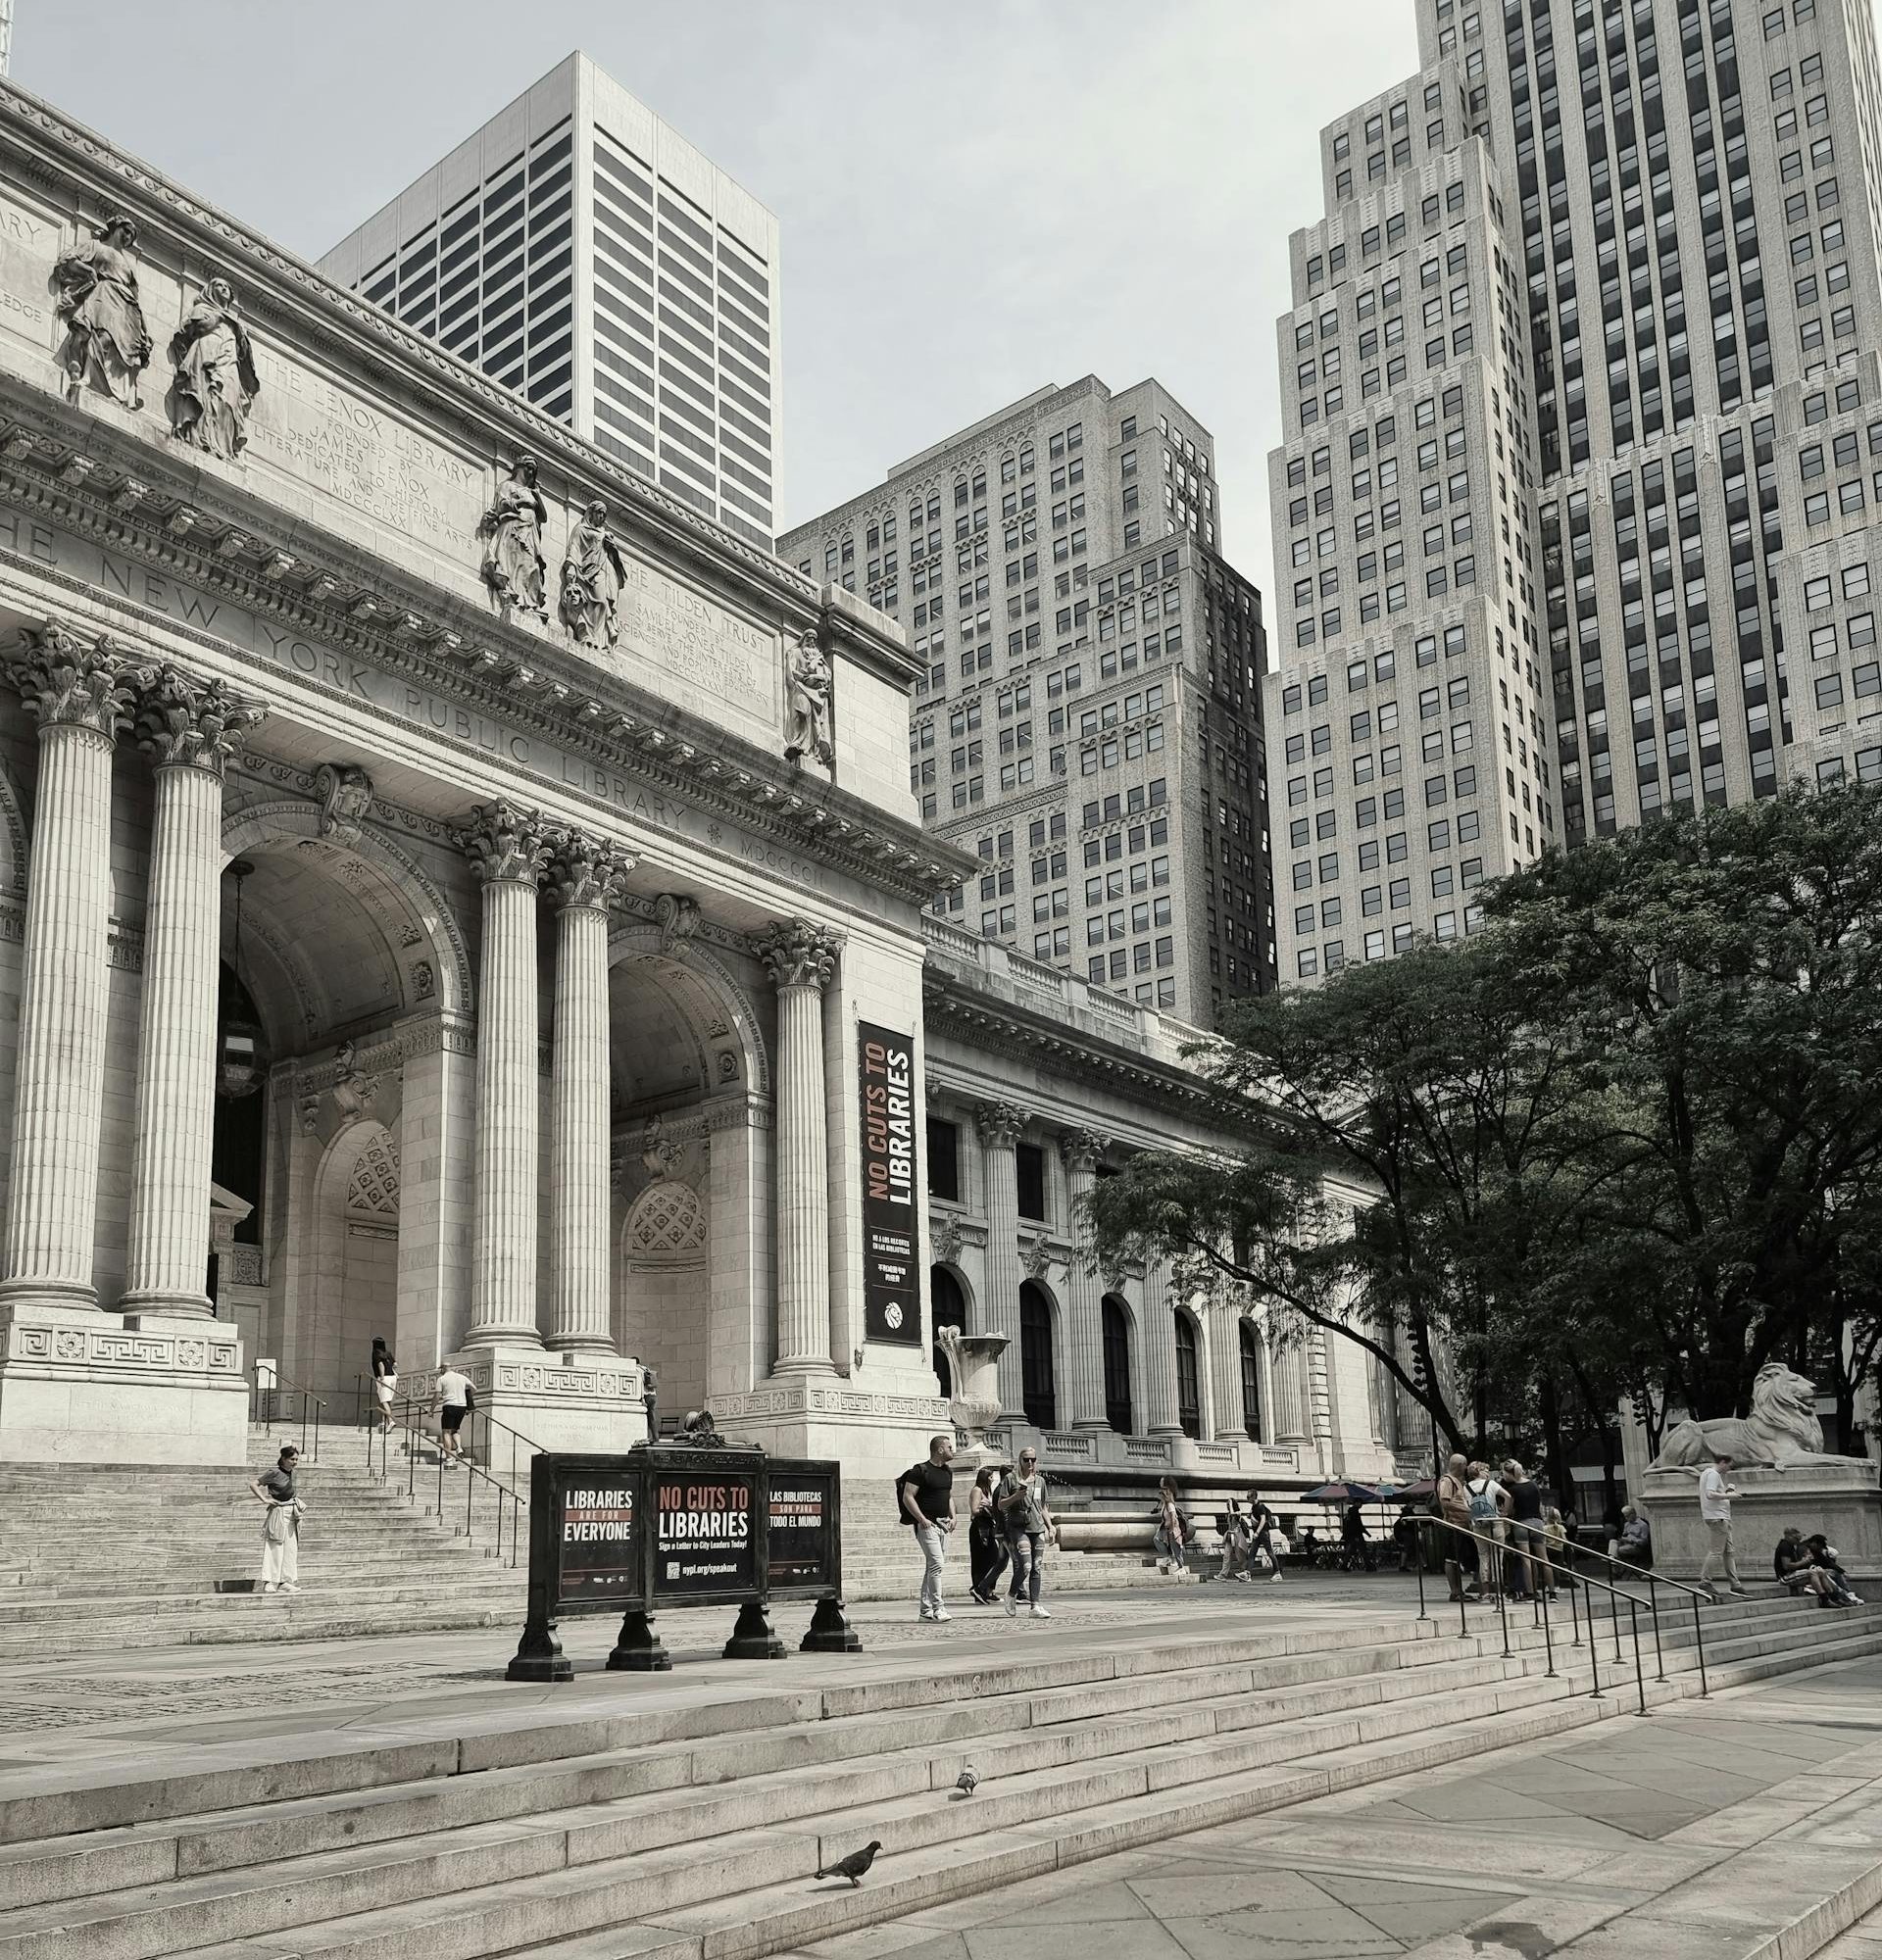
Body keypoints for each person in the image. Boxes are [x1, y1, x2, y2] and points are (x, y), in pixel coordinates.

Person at [899, 1435, 957, 1622]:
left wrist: (953, 1516)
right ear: (939, 1449)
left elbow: (948, 1496)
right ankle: (938, 1608)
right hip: (928, 1525)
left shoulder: (948, 1471)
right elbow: (908, 1496)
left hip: (943, 1525)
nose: (952, 1450)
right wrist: (921, 1519)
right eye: (949, 1447)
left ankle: (925, 1610)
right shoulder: (920, 1471)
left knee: (933, 1567)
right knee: (937, 1565)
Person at [997, 1447, 1057, 1618]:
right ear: (1020, 1460)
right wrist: (1015, 1497)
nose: (1030, 1463)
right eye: (1026, 1460)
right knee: (1026, 1565)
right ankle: (1011, 1594)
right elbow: (1001, 1505)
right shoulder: (1010, 1479)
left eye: (1033, 1459)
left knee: (1036, 1566)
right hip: (1019, 1528)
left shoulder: (1040, 1481)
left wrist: (1050, 1526)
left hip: (1037, 1527)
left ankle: (1035, 1606)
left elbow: (1043, 1506)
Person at [249, 1445, 303, 1594]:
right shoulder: (274, 1472)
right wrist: (264, 1500)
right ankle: (269, 1581)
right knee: (274, 1546)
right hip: (278, 1510)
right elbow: (254, 1484)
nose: (295, 1462)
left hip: (292, 1511)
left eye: (297, 1459)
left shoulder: (293, 1473)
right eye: (292, 1459)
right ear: (284, 1459)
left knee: (290, 1548)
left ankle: (285, 1581)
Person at [1698, 1448, 1749, 1603]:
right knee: (1717, 1552)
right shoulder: (1713, 1474)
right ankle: (1705, 1582)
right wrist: (1730, 1495)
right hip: (1718, 1517)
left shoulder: (1707, 1474)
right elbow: (1710, 1494)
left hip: (1719, 1517)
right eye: (1729, 1466)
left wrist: (1727, 1491)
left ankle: (1735, 1584)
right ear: (1722, 1462)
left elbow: (1712, 1494)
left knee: (1728, 1552)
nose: (1729, 1469)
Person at [1503, 1459, 1555, 1601]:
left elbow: (1507, 1511)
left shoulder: (1512, 1490)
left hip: (1521, 1523)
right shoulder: (1533, 1485)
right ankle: (1552, 1592)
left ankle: (1531, 1592)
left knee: (1526, 1559)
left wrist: (1503, 1513)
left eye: (1504, 1473)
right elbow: (1539, 1505)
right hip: (1537, 1522)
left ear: (1509, 1473)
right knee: (1544, 1559)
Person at [967, 1466, 1010, 1603]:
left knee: (993, 1558)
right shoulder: (977, 1490)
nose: (992, 1479)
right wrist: (989, 1508)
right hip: (979, 1528)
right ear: (985, 1477)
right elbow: (974, 1510)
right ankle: (979, 1589)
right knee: (981, 1560)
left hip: (988, 1526)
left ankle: (988, 1590)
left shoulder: (987, 1491)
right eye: (990, 1476)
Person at [1437, 1452, 1473, 1602]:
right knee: (1452, 1559)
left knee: (1457, 1559)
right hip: (1453, 1525)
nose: (1466, 1468)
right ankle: (1455, 1591)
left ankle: (1459, 1591)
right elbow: (1445, 1502)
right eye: (1465, 1465)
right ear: (1460, 1466)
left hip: (1460, 1526)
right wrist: (1468, 1510)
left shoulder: (1457, 1481)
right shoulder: (1447, 1481)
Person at [1774, 1527, 1839, 1603]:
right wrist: (1804, 1561)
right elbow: (1786, 1566)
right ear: (1790, 1536)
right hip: (1785, 1577)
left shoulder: (1791, 1546)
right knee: (1812, 1573)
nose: (1799, 1541)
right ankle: (1824, 1599)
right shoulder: (1785, 1546)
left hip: (1793, 1574)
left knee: (1820, 1571)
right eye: (1797, 1539)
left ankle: (1834, 1597)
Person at [1805, 1534, 1863, 1606]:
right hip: (1810, 1572)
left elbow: (1828, 1562)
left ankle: (1846, 1594)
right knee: (1826, 1574)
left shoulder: (1815, 1550)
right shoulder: (1806, 1549)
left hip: (1816, 1571)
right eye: (1820, 1547)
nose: (1821, 1549)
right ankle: (1842, 1596)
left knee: (1833, 1572)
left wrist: (1842, 1571)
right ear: (1815, 1543)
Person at [433, 1362, 473, 1467]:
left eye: (440, 1369)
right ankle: (459, 1448)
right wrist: (466, 1397)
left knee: (446, 1432)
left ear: (443, 1368)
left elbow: (437, 1396)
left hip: (450, 1406)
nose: (440, 1371)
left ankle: (449, 1458)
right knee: (455, 1429)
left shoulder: (441, 1379)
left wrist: (431, 1409)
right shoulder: (462, 1377)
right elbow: (474, 1388)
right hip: (462, 1406)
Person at [1154, 1477, 1188, 1576]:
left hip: (1173, 1528)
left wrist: (1173, 1528)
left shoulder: (1169, 1505)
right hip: (1168, 1528)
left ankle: (1182, 1568)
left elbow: (1174, 1516)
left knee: (1176, 1548)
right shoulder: (1165, 1504)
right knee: (1158, 1539)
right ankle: (1170, 1559)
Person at [1247, 1489, 1284, 1583]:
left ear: (1254, 1497)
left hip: (1263, 1533)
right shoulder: (1254, 1507)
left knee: (1270, 1552)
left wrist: (1257, 1532)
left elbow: (1263, 1520)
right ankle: (1247, 1573)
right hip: (1259, 1534)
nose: (1247, 1499)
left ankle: (1277, 1573)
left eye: (1248, 1497)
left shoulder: (1260, 1507)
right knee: (1252, 1553)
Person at [369, 1337, 397, 1435]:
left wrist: (382, 1377)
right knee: (386, 1401)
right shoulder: (387, 1353)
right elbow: (395, 1364)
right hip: (393, 1378)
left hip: (384, 1378)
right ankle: (384, 1423)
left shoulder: (376, 1353)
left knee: (384, 1401)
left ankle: (390, 1421)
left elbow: (380, 1365)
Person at [1615, 1504, 1654, 1571]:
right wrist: (1623, 1538)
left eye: (1627, 1516)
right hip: (1625, 1544)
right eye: (1625, 1516)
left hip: (1636, 1546)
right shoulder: (1626, 1524)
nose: (1626, 1518)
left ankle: (1613, 1565)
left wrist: (1631, 1540)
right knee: (1612, 1542)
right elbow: (1624, 1535)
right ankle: (1612, 1559)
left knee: (1616, 1550)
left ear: (1633, 1514)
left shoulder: (1642, 1525)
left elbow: (1644, 1542)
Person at [1340, 1499, 1368, 1571]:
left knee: (1350, 1551)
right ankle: (1368, 1565)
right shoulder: (1355, 1512)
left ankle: (1344, 1564)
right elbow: (1357, 1525)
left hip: (1351, 1535)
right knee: (1363, 1550)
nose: (1361, 1505)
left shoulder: (1351, 1513)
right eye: (1360, 1503)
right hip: (1356, 1535)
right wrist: (1364, 1532)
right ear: (1356, 1503)